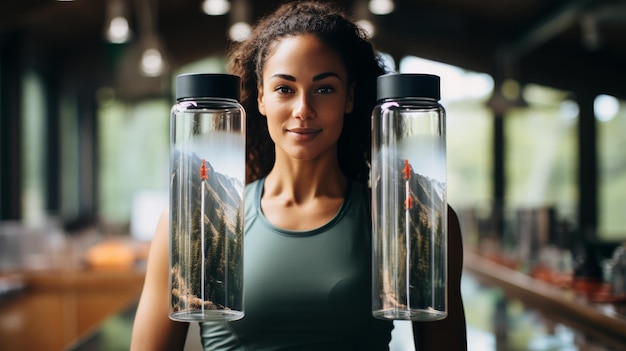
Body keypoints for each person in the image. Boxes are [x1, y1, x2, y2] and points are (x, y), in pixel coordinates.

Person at [131, 1, 467, 350]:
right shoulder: (193, 218)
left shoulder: (414, 219)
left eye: (324, 88)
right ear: (260, 97)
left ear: (349, 97)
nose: (303, 109)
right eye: (284, 89)